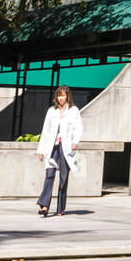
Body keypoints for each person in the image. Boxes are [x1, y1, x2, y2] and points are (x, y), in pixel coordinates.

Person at [36, 85, 83, 217]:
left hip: (66, 146)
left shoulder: (73, 111)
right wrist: (41, 150)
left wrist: (75, 142)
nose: (61, 98)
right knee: (49, 174)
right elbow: (45, 130)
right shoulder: (52, 111)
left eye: (63, 95)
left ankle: (60, 208)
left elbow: (78, 128)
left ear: (68, 96)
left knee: (63, 177)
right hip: (52, 146)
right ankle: (44, 205)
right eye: (59, 95)